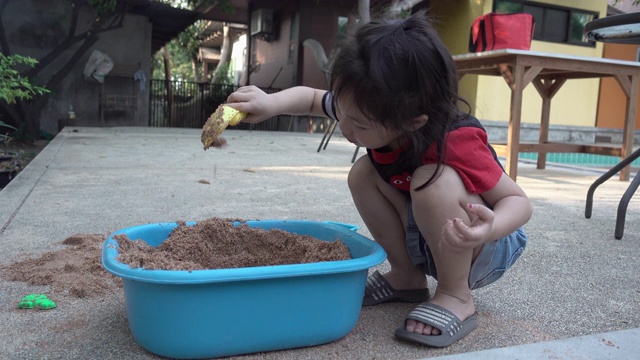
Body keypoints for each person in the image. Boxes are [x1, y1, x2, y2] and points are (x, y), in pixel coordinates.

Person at [225, 10, 532, 348]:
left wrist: (488, 228)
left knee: (432, 181)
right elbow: (313, 98)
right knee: (363, 174)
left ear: (413, 122)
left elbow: (517, 202)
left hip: (482, 243)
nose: (344, 126)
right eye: (342, 112)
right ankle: (406, 276)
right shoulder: (369, 102)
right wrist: (271, 103)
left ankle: (456, 295)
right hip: (431, 234)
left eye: (359, 124)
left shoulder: (454, 140)